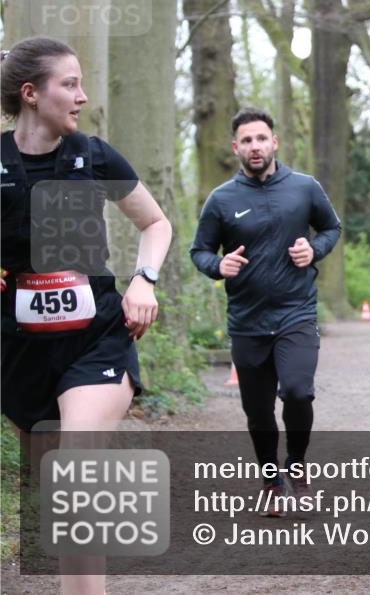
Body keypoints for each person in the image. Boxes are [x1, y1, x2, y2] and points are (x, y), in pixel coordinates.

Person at [1, 37, 172, 595]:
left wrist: (143, 281)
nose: (82, 95)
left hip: (97, 337)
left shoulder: (94, 154)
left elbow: (155, 224)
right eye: (69, 84)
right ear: (31, 93)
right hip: (18, 346)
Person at [190, 108, 341, 514]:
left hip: (296, 312)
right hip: (247, 320)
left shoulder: (305, 188)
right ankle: (271, 480)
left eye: (261, 138)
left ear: (274, 142)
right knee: (257, 412)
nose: (255, 147)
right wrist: (217, 266)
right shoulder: (222, 199)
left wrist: (314, 250)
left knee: (297, 391)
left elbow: (331, 228)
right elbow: (199, 251)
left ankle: (297, 466)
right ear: (235, 147)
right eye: (246, 140)